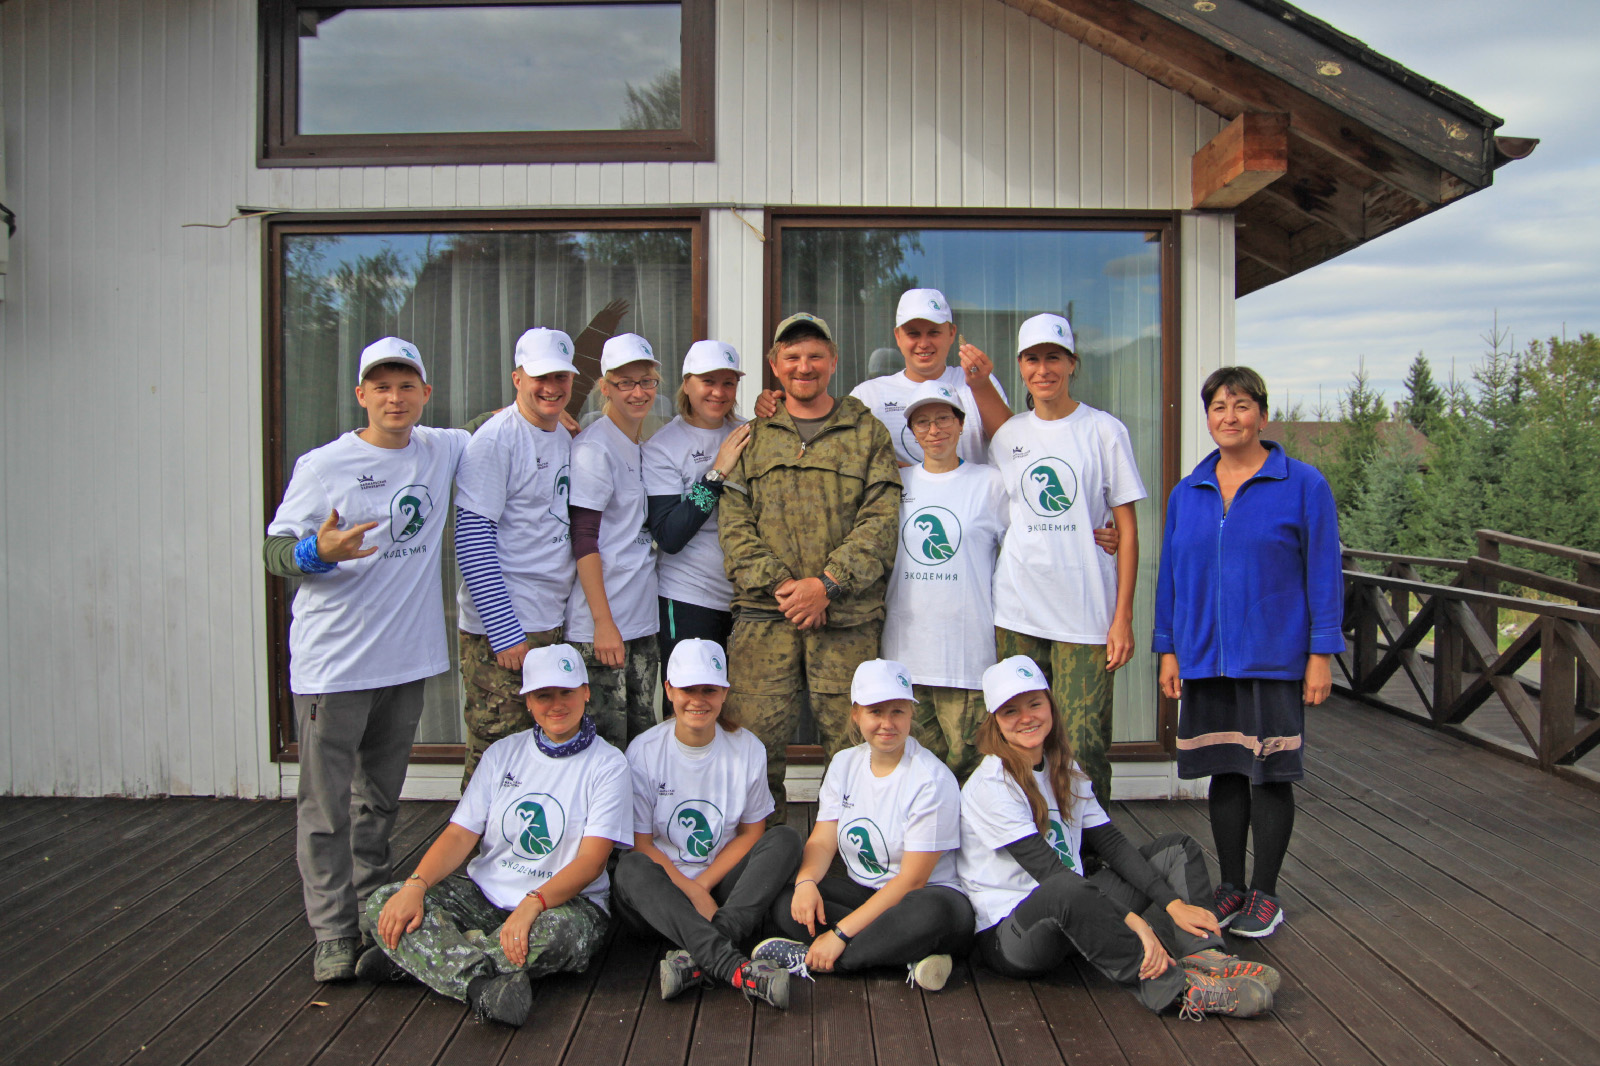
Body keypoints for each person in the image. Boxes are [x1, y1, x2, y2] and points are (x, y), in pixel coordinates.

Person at [262, 337, 471, 982]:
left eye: (406, 385)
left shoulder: (441, 448)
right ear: (361, 394)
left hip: (404, 664)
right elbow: (274, 552)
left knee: (378, 800)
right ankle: (331, 932)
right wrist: (316, 553)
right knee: (324, 807)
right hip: (335, 666)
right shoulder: (324, 466)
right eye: (381, 386)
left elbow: (510, 423)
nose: (394, 397)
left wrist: (562, 412)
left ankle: (374, 915)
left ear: (425, 395)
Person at [957, 656, 1280, 1019]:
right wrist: (1137, 923)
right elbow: (1052, 876)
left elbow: (1112, 843)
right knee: (1067, 888)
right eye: (1010, 711)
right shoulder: (992, 785)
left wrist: (1172, 906)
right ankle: (1179, 991)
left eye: (1035, 703)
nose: (1027, 717)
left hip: (1079, 912)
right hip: (1015, 937)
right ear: (995, 722)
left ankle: (1206, 958)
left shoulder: (1063, 766)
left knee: (1177, 849)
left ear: (1050, 705)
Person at [1153, 366, 1342, 939]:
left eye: (1240, 406)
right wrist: (1168, 649)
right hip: (1204, 658)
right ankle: (1231, 886)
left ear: (1262, 412)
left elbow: (1324, 572)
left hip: (1273, 657)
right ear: (1207, 417)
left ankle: (1266, 894)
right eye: (1217, 407)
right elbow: (1172, 578)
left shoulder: (1303, 484)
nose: (1228, 417)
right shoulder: (1188, 492)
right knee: (1225, 772)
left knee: (1268, 774)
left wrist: (1321, 652)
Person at [355, 644, 632, 1026]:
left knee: (554, 937)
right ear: (528, 702)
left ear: (586, 692)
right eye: (543, 695)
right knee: (386, 900)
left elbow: (592, 862)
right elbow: (459, 835)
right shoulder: (502, 753)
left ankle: (426, 960)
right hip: (485, 896)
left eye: (566, 692)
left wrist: (534, 903)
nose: (556, 704)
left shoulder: (609, 764)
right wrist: (415, 886)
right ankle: (481, 986)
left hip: (562, 906)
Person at [718, 313, 902, 820]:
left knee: (853, 751)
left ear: (833, 360)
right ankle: (761, 857)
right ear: (775, 366)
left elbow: (882, 521)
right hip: (764, 619)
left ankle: (849, 854)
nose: (805, 366)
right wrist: (791, 590)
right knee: (750, 751)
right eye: (792, 357)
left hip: (846, 621)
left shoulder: (866, 432)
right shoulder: (751, 437)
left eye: (815, 355)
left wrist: (827, 586)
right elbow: (734, 527)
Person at [988, 313, 1147, 805]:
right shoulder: (1007, 436)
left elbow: (1128, 530)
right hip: (1016, 608)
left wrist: (1122, 617)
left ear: (1072, 363)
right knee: (1016, 737)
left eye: (1053, 357)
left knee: (1083, 742)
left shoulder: (1104, 430)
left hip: (1084, 612)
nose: (1043, 369)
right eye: (1032, 359)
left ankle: (1093, 849)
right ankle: (1027, 834)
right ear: (1021, 367)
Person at [755, 659, 974, 991]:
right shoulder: (845, 763)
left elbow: (913, 881)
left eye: (897, 711)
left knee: (930, 914)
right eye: (875, 711)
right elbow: (823, 840)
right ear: (856, 714)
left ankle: (822, 960)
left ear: (911, 714)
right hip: (865, 895)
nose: (887, 723)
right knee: (787, 901)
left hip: (925, 901)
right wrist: (806, 883)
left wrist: (840, 934)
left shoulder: (930, 779)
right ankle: (908, 956)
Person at [611, 639, 802, 1009]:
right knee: (630, 868)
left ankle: (700, 954)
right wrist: (691, 891)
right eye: (687, 689)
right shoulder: (644, 751)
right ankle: (731, 962)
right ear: (668, 690)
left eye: (709, 690)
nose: (698, 700)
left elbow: (752, 834)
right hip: (661, 898)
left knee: (786, 839)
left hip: (721, 893)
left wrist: (704, 887)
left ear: (724, 693)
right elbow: (643, 843)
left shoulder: (747, 748)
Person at [454, 327, 581, 787]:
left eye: (561, 377)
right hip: (506, 630)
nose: (551, 387)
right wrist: (505, 633)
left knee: (540, 754)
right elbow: (471, 538)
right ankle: (476, 854)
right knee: (496, 753)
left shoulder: (563, 433)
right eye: (539, 377)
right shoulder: (495, 441)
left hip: (550, 620)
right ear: (517, 377)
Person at [756, 288, 1010, 466]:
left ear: (952, 333)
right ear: (897, 336)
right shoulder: (870, 395)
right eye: (913, 333)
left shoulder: (976, 384)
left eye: (934, 332)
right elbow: (840, 451)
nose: (924, 343)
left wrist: (981, 386)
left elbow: (1010, 444)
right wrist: (779, 404)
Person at [566, 333, 662, 748]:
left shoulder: (641, 443)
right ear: (605, 386)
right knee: (602, 745)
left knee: (639, 742)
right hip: (603, 628)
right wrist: (603, 624)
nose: (637, 392)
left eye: (646, 381)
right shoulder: (594, 448)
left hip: (640, 620)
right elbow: (583, 539)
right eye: (625, 383)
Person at [643, 341, 754, 671]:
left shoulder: (748, 432)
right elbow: (670, 537)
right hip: (689, 596)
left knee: (736, 708)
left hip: (747, 599)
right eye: (708, 382)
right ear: (687, 384)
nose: (718, 392)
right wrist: (716, 474)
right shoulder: (663, 446)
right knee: (689, 704)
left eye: (728, 383)